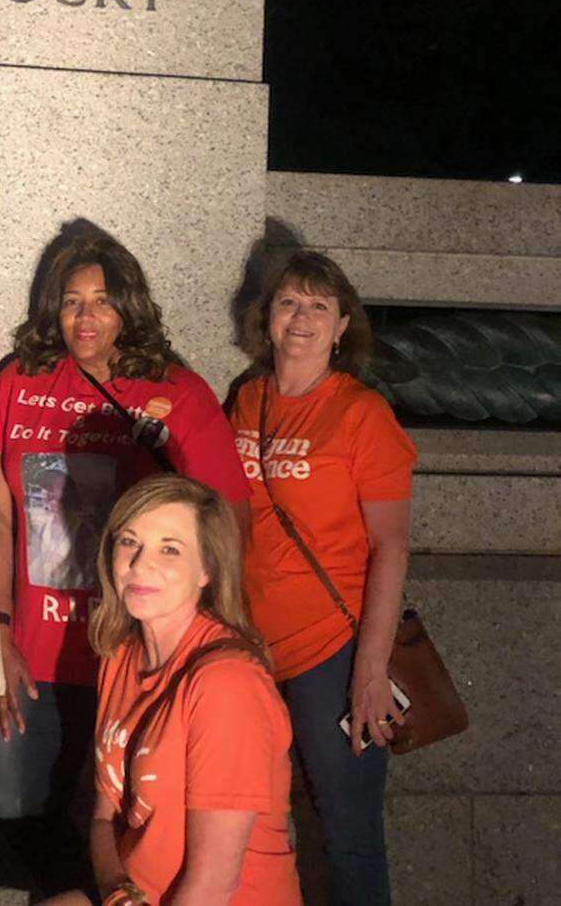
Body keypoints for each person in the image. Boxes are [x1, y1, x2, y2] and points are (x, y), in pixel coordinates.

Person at [0, 229, 250, 889]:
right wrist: (1, 630)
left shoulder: (176, 392)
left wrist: (213, 630)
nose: (85, 317)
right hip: (36, 647)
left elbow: (228, 516)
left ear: (129, 307)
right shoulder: (19, 379)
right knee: (14, 800)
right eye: (71, 302)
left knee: (124, 814)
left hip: (133, 648)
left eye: (102, 301)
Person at [227, 250, 417, 905]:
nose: (300, 318)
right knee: (253, 827)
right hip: (251, 650)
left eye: (318, 306)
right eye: (288, 303)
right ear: (267, 317)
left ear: (342, 326)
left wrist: (370, 671)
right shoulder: (247, 399)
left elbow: (391, 547)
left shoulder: (361, 414)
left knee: (347, 836)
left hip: (331, 653)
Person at [43, 474, 300, 906]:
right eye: (129, 542)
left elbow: (213, 886)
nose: (140, 564)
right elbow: (104, 819)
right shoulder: (120, 655)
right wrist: (118, 894)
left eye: (169, 549)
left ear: (207, 569)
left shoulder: (226, 684)